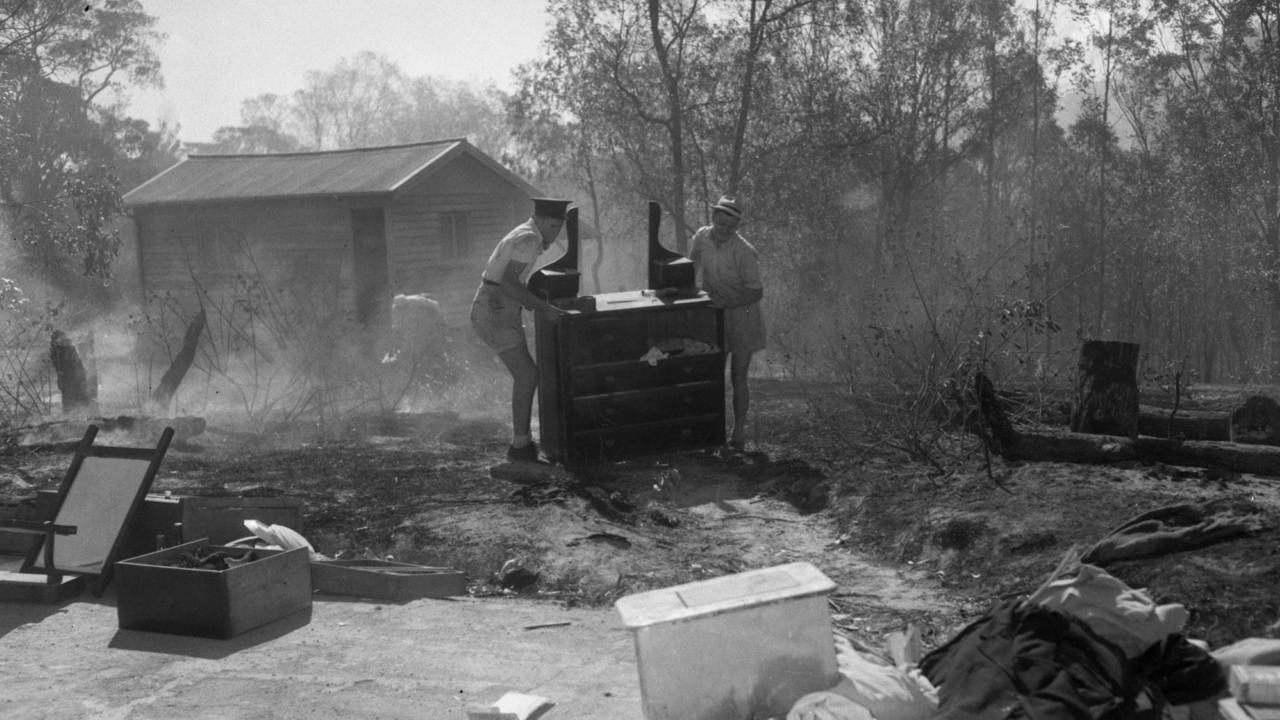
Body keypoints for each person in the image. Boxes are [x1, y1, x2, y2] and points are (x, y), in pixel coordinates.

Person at [470, 197, 571, 462]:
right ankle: (520, 447)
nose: (555, 232)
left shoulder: (525, 233)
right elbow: (509, 284)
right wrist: (542, 307)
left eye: (559, 227)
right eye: (552, 226)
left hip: (498, 307)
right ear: (539, 220)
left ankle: (522, 444)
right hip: (495, 308)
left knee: (526, 374)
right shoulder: (529, 240)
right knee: (527, 375)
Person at [688, 195, 765, 452]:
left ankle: (738, 431)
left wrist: (729, 303)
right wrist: (693, 295)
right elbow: (691, 267)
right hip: (713, 313)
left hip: (742, 315)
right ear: (713, 219)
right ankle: (711, 431)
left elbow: (756, 291)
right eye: (721, 225)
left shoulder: (743, 251)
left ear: (737, 227)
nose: (725, 231)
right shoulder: (701, 238)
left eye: (731, 227)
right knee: (711, 374)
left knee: (738, 374)